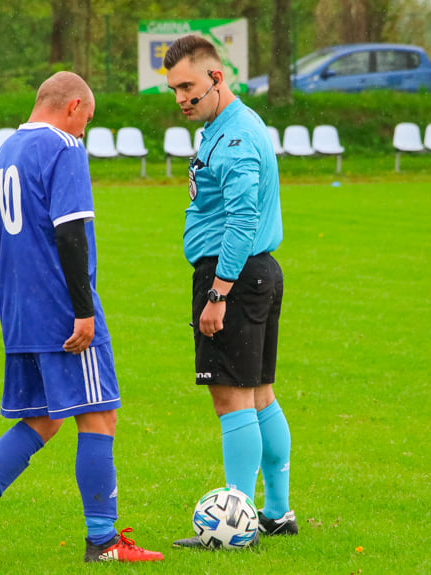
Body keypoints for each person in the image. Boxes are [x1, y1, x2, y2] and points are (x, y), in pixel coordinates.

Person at [0, 71, 163, 565]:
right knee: (98, 414)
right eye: (87, 117)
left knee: (42, 419)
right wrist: (84, 311)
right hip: (61, 310)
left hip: (18, 310)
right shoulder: (63, 147)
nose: (85, 129)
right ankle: (103, 542)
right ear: (72, 106)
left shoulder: (6, 152)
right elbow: (69, 234)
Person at [163, 35, 297, 547]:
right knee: (261, 394)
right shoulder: (225, 125)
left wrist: (218, 293)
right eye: (174, 89)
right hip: (256, 273)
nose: (181, 98)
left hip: (233, 276)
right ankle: (277, 512)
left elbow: (241, 218)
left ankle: (234, 527)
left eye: (188, 87)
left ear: (217, 78)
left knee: (232, 399)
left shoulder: (236, 137)